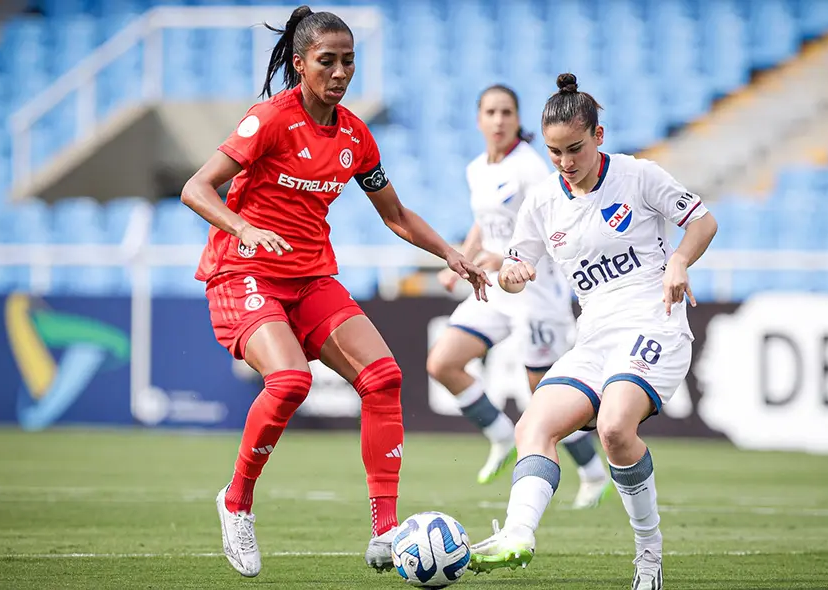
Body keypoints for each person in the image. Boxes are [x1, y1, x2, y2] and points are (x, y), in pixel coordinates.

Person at [180, 5, 489, 579]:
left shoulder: (354, 135)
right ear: (300, 64)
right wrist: (243, 228)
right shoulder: (269, 119)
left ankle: (385, 530)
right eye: (328, 61)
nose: (341, 72)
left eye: (349, 60)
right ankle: (236, 501)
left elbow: (395, 214)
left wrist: (449, 252)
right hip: (244, 274)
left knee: (384, 377)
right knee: (291, 380)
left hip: (310, 278)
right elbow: (196, 188)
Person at [468, 73, 718, 589]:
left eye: (575, 148)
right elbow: (513, 268)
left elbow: (703, 221)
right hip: (595, 337)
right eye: (555, 152)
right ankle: (517, 535)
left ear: (598, 136)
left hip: (654, 324)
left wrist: (678, 261)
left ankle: (648, 555)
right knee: (532, 426)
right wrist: (512, 275)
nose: (565, 161)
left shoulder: (638, 176)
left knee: (614, 428)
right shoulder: (542, 201)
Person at [426, 84, 610, 508]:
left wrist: (509, 257)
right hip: (493, 287)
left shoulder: (530, 167)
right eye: (491, 112)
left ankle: (593, 471)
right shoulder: (477, 169)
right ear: (478, 119)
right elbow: (483, 221)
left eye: (507, 112)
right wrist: (460, 259)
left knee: (543, 395)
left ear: (517, 118)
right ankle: (500, 435)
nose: (499, 120)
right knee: (442, 362)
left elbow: (556, 221)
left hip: (535, 292)